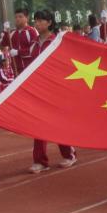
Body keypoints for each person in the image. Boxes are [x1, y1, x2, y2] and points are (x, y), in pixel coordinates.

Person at [30, 9, 78, 172]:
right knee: (37, 124)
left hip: (55, 89)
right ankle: (40, 161)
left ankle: (69, 154)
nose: (37, 24)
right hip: (39, 89)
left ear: (49, 22)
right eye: (35, 20)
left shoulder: (56, 41)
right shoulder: (34, 44)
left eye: (40, 20)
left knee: (58, 122)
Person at [3, 8, 38, 73]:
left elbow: (35, 50)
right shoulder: (12, 33)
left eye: (20, 17)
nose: (17, 19)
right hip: (16, 69)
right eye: (16, 17)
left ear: (27, 18)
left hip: (30, 68)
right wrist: (5, 31)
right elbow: (4, 44)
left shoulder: (32, 31)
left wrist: (18, 52)